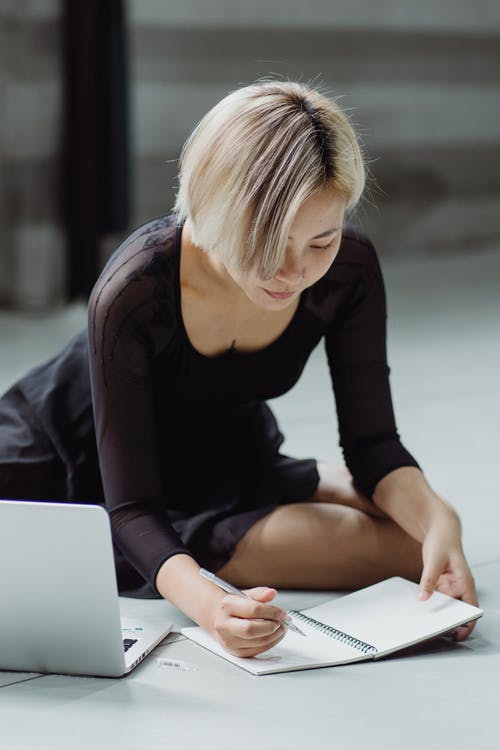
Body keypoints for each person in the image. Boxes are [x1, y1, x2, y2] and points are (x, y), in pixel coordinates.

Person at [0, 80, 478, 658]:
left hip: (228, 453)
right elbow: (130, 508)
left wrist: (437, 517)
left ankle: (298, 481)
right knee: (403, 549)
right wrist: (208, 605)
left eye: (320, 241)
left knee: (424, 544)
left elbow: (375, 443)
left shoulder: (348, 271)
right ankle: (288, 495)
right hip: (76, 464)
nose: (294, 272)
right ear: (212, 204)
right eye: (269, 242)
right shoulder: (135, 290)